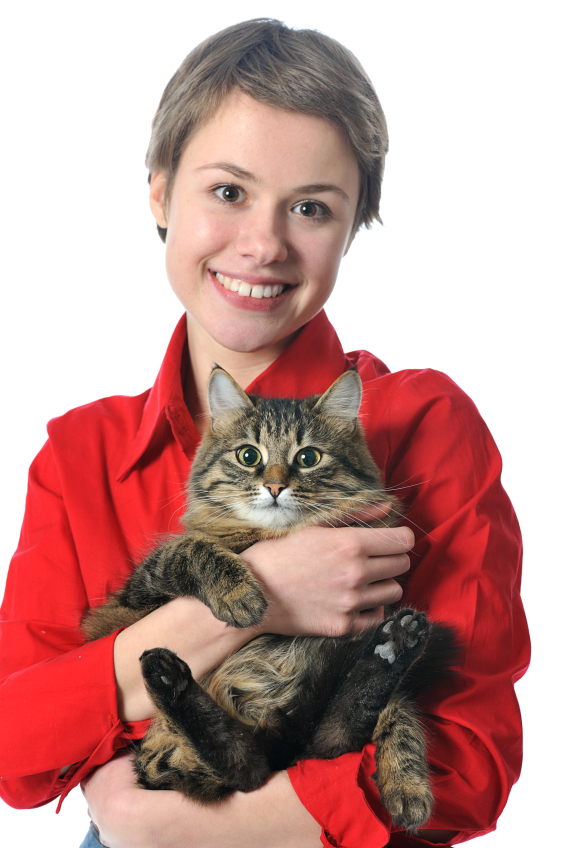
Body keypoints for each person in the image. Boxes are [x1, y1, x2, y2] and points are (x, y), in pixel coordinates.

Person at [0, 18, 529, 848]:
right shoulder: (80, 454)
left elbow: (467, 767)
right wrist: (253, 602)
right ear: (159, 192)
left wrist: (155, 823)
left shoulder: (423, 421)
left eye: (311, 207)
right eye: (228, 191)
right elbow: (16, 749)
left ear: (353, 226)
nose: (262, 244)